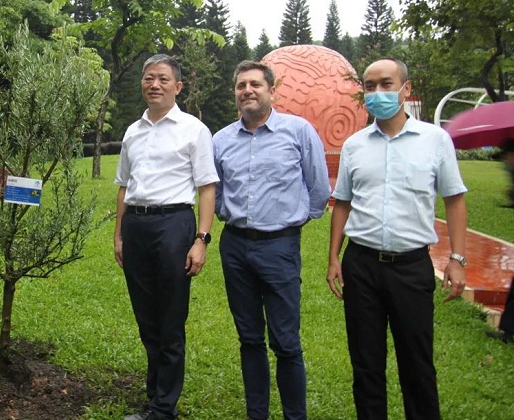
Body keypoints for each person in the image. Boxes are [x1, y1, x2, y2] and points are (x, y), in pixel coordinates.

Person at [326, 57, 467, 420]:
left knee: (417, 364)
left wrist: (457, 258)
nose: (377, 93)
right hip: (361, 266)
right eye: (369, 86)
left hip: (411, 267)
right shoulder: (355, 145)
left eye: (386, 84)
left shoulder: (435, 141)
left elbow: (454, 199)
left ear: (406, 89)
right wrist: (333, 258)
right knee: (366, 364)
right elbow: (342, 203)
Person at [212, 60, 331, 420]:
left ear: (271, 90)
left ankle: (295, 416)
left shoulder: (298, 131)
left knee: (286, 342)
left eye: (255, 84)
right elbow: (213, 190)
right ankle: (257, 414)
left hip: (279, 246)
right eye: (241, 85)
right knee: (249, 338)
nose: (247, 90)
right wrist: (225, 212)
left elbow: (319, 189)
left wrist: (289, 223)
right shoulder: (221, 140)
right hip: (234, 246)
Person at [113, 54, 219, 420]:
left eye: (162, 79)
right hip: (136, 228)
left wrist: (201, 239)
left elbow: (207, 188)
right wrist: (119, 236)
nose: (153, 85)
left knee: (170, 320)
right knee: (147, 320)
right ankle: (155, 398)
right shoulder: (133, 131)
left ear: (178, 86)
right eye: (148, 78)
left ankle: (163, 408)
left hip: (174, 226)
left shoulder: (194, 130)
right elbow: (124, 187)